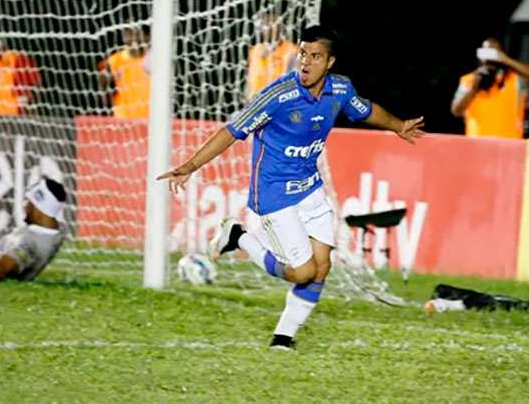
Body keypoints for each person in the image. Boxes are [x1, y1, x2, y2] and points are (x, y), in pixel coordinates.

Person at [158, 25, 425, 350]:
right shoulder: (278, 96)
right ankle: (239, 236)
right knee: (302, 273)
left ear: (330, 62)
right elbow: (232, 131)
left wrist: (398, 126)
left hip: (310, 188)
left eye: (315, 56)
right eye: (302, 54)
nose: (306, 62)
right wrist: (189, 167)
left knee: (322, 267)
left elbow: (365, 110)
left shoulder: (339, 90)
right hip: (273, 194)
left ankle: (283, 338)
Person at [450, 38, 529, 139]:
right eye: (487, 51)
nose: (490, 56)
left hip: (509, 146)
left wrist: (506, 60)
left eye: (494, 52)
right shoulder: (469, 80)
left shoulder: (514, 80)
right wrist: (473, 89)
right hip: (477, 146)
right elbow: (456, 111)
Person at [99, 26, 151, 119]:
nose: (135, 38)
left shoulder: (154, 59)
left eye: (139, 34)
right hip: (123, 120)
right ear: (124, 37)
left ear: (147, 36)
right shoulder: (114, 60)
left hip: (151, 118)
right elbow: (103, 88)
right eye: (130, 34)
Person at [246, 12, 298, 101]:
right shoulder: (255, 51)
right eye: (265, 24)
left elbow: (294, 82)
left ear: (280, 27)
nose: (268, 28)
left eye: (272, 24)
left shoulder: (292, 51)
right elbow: (249, 79)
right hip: (254, 103)